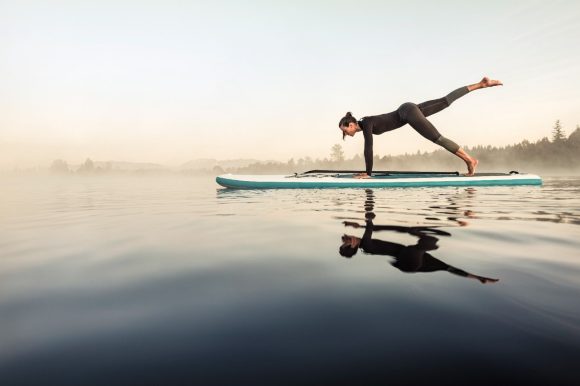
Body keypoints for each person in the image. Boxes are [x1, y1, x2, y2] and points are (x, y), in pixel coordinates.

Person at [338, 77, 503, 178]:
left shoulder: (365, 123)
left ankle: (471, 160)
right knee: (445, 101)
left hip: (407, 113)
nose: (346, 134)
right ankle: (481, 84)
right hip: (407, 108)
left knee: (437, 138)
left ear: (351, 125)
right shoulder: (365, 121)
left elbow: (369, 148)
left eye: (345, 131)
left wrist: (368, 173)